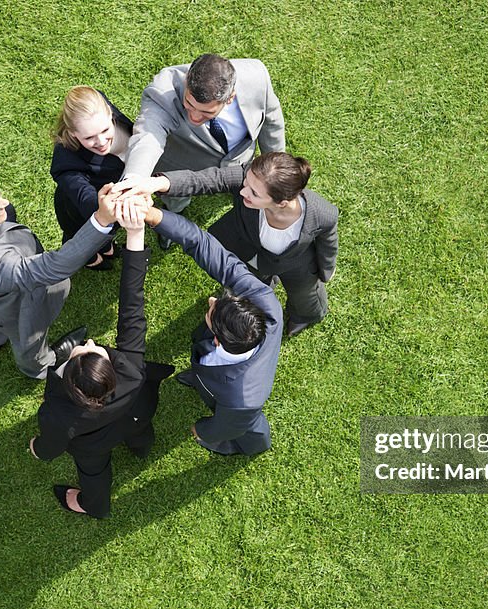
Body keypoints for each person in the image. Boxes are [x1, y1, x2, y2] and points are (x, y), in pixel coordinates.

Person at [29, 196, 174, 518]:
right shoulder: (132, 370)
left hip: (94, 445)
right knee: (139, 433)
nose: (91, 340)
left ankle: (93, 506)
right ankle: (141, 448)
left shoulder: (59, 414)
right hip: (138, 413)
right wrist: (135, 235)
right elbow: (131, 304)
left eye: (84, 349)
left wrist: (37, 450)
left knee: (94, 474)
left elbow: (50, 448)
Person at [0, 168, 120, 379]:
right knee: (27, 338)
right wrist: (101, 220)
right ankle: (39, 368)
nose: (5, 203)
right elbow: (53, 266)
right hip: (15, 307)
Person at [126, 152, 338, 337]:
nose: (243, 192)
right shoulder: (252, 177)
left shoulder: (322, 213)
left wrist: (327, 269)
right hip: (245, 247)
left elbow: (328, 242)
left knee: (305, 295)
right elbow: (205, 180)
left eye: (254, 193)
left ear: (282, 203)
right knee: (245, 286)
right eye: (246, 183)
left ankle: (305, 316)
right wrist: (157, 184)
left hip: (295, 263)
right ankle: (252, 294)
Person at [141, 204, 283, 455]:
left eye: (212, 312)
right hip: (219, 378)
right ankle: (199, 379)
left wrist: (203, 430)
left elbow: (227, 426)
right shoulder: (265, 303)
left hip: (238, 412)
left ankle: (252, 448)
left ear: (217, 340)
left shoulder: (241, 401)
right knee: (207, 382)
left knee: (251, 431)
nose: (211, 301)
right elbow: (204, 246)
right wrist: (156, 217)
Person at [122, 53, 285, 247]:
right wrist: (134, 179)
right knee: (176, 200)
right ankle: (170, 220)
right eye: (189, 104)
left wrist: (274, 169)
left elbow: (271, 120)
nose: (194, 117)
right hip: (185, 166)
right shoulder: (163, 91)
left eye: (207, 112)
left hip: (240, 161)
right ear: (186, 80)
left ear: (230, 98)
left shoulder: (257, 77)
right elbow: (147, 135)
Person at [50, 86, 134, 270]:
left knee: (107, 236)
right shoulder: (66, 162)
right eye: (89, 138)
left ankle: (107, 248)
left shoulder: (97, 105)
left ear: (110, 113)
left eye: (105, 130)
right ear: (73, 134)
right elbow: (88, 201)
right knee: (80, 236)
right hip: (80, 211)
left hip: (112, 197)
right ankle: (89, 259)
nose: (102, 142)